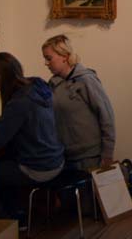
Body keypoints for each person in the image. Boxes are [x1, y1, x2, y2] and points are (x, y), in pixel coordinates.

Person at [0, 52, 64, 223]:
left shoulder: (18, 102)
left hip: (38, 168)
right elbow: (29, 118)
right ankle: (17, 213)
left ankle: (11, 221)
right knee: (4, 163)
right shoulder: (37, 86)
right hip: (56, 160)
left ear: (1, 77)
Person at [42, 34, 116, 170]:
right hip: (65, 155)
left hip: (89, 156)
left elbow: (106, 116)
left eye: (49, 58)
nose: (46, 63)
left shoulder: (86, 80)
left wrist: (107, 153)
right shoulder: (53, 84)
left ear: (64, 56)